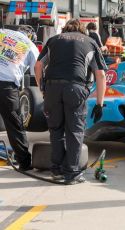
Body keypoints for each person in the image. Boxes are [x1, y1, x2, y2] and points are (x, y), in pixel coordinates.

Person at [34, 19, 107, 184]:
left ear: (65, 28)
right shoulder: (90, 42)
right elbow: (100, 75)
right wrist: (99, 103)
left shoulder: (53, 40)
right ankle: (72, 174)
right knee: (74, 131)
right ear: (82, 30)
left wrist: (43, 89)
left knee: (56, 129)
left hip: (52, 89)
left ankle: (57, 171)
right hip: (76, 88)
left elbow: (38, 66)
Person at [0, 26, 39, 171]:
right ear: (31, 36)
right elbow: (38, 70)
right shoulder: (31, 45)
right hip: (7, 86)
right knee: (14, 124)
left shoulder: (2, 32)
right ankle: (24, 162)